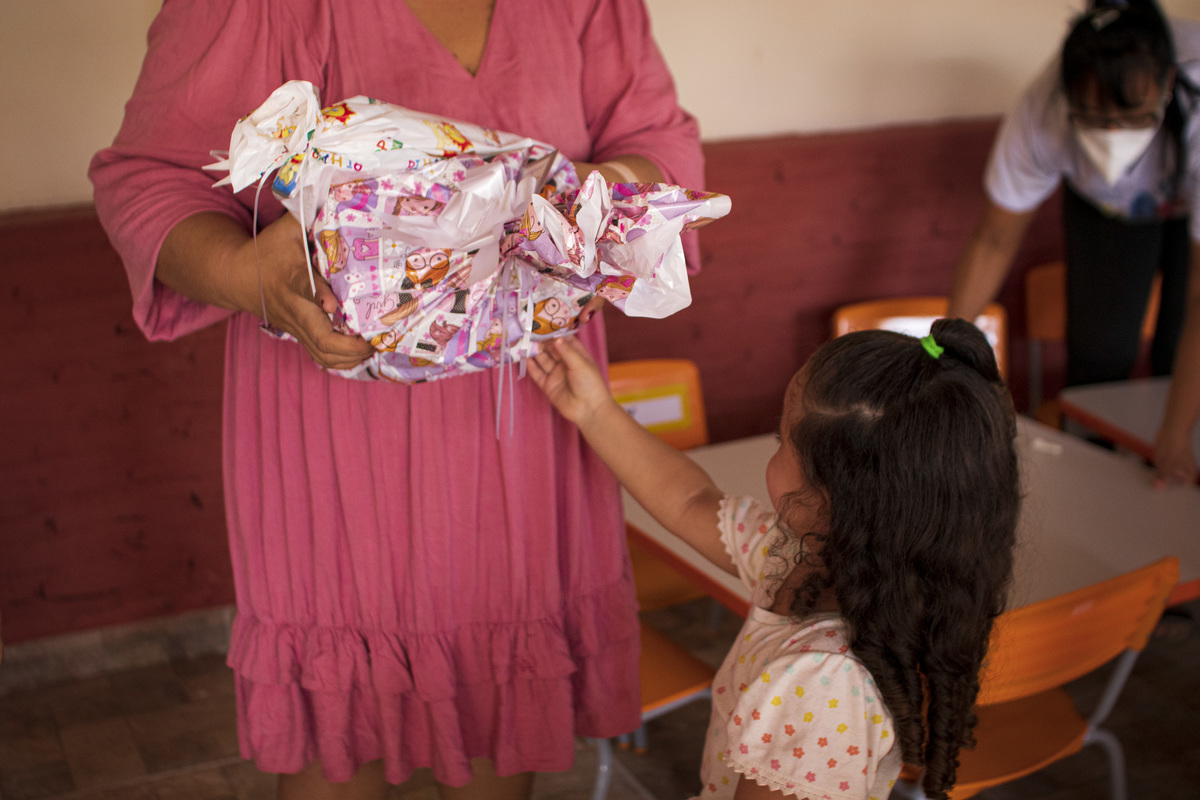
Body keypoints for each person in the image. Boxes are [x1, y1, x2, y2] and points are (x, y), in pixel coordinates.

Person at [88, 1, 703, 798]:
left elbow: (659, 143)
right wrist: (248, 275)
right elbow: (149, 182)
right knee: (341, 731)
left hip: (529, 409)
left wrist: (593, 201)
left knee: (499, 708)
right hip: (332, 429)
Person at [528, 317, 1021, 800]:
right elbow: (690, 501)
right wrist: (594, 410)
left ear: (833, 500)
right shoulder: (804, 561)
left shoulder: (825, 685)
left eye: (781, 441)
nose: (775, 451)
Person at [949, 0, 1200, 486]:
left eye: (1130, 116)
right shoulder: (1042, 113)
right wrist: (941, 349)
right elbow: (993, 241)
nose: (1112, 134)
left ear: (1167, 84)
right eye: (1092, 117)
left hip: (1190, 203)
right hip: (1104, 210)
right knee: (1098, 354)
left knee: (1180, 361)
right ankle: (1093, 484)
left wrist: (1174, 435)